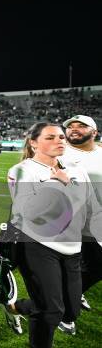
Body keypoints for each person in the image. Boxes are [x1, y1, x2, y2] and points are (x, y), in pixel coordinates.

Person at [3, 122, 102, 347]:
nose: (59, 140)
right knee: (50, 311)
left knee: (70, 310)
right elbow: (29, 211)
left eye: (60, 136)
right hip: (36, 246)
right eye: (50, 137)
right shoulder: (22, 170)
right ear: (34, 143)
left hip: (72, 247)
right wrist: (56, 182)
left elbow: (93, 209)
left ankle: (16, 307)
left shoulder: (76, 170)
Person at [57, 115, 102, 334]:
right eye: (70, 127)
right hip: (67, 220)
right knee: (70, 267)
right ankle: (63, 311)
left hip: (96, 220)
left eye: (81, 126)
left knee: (95, 266)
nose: (74, 129)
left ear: (94, 131)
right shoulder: (59, 150)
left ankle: (71, 297)